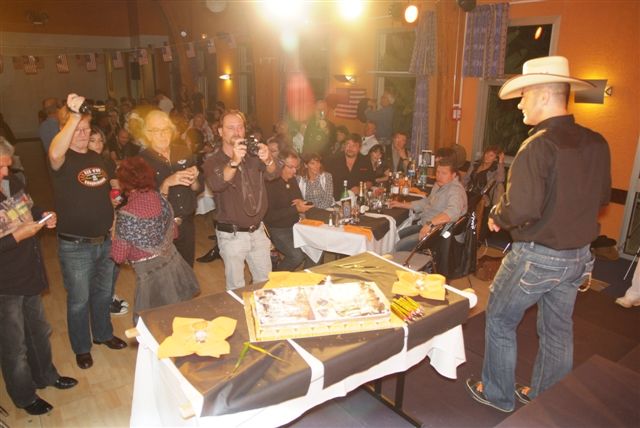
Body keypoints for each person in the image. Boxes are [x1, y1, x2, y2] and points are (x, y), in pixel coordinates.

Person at [465, 56, 611, 413]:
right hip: (579, 258)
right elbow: (603, 198)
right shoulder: (597, 142)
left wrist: (497, 215)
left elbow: (522, 208)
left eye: (524, 95)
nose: (520, 104)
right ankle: (545, 398)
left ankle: (497, 394)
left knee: (500, 319)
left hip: (537, 256)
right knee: (558, 330)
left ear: (544, 95)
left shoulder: (537, 145)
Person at [48, 93, 127, 370]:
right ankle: (82, 347)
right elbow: (54, 153)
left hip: (105, 240)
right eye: (77, 129)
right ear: (65, 130)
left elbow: (108, 194)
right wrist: (74, 115)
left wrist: (114, 220)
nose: (83, 134)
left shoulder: (97, 158)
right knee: (79, 300)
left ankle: (103, 334)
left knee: (104, 293)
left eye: (86, 129)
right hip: (76, 245)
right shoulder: (61, 159)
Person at [0, 139, 78, 416]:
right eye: (0, 167)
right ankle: (24, 396)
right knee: (14, 345)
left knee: (38, 331)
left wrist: (43, 214)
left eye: (7, 166)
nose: (6, 173)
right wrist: (16, 237)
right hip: (5, 284)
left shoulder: (12, 182)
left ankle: (46, 375)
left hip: (29, 272)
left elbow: (29, 208)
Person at [111, 157, 200, 322]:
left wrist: (115, 229)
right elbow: (174, 233)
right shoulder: (160, 198)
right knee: (178, 316)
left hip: (150, 275)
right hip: (173, 263)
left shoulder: (126, 214)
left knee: (153, 324)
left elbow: (118, 256)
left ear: (124, 183)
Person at [203, 109, 279, 290]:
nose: (237, 132)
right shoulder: (212, 161)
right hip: (232, 235)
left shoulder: (253, 155)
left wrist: (268, 159)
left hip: (258, 231)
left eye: (240, 127)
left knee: (265, 284)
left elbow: (274, 173)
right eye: (230, 128)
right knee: (236, 289)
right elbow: (217, 184)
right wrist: (234, 161)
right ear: (220, 131)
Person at [139, 110, 203, 267]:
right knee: (164, 274)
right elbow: (144, 203)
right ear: (147, 134)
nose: (163, 134)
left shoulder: (183, 151)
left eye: (166, 129)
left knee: (186, 271)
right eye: (156, 130)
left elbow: (198, 188)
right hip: (160, 228)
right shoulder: (141, 161)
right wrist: (166, 183)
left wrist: (194, 179)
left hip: (186, 224)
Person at [87, 128, 129, 316]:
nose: (97, 144)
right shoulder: (80, 164)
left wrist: (125, 189)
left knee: (114, 260)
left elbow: (114, 183)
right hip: (94, 220)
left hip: (111, 216)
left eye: (100, 140)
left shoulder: (106, 161)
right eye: (92, 140)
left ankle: (108, 295)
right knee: (99, 265)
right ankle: (101, 301)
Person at [391, 158, 467, 251]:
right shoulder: (439, 185)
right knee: (394, 237)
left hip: (440, 233)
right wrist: (402, 204)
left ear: (453, 175)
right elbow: (428, 202)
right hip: (426, 224)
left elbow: (453, 212)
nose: (439, 176)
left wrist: (430, 224)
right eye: (438, 172)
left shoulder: (455, 190)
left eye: (444, 173)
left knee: (398, 246)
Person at [265, 148, 314, 271]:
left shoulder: (292, 179)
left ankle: (307, 278)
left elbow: (298, 198)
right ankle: (277, 278)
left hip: (295, 225)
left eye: (296, 167)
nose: (294, 171)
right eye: (291, 167)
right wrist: (295, 209)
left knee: (315, 248)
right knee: (296, 256)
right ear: (280, 165)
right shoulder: (270, 183)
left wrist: (300, 202)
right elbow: (269, 216)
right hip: (277, 228)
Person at [326, 133, 373, 200]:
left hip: (358, 199)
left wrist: (360, 188)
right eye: (348, 144)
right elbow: (326, 181)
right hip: (336, 199)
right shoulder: (333, 160)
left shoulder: (365, 161)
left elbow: (370, 181)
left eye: (354, 145)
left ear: (360, 148)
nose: (350, 148)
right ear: (344, 146)